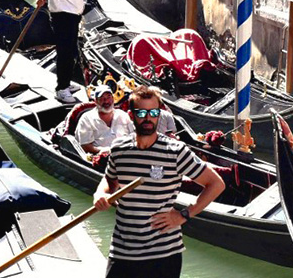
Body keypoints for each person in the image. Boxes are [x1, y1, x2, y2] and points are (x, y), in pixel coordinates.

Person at [93, 86, 225, 278]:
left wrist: (184, 215)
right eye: (142, 113)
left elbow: (216, 184)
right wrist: (101, 194)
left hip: (163, 255)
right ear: (131, 115)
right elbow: (109, 179)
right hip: (123, 251)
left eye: (154, 112)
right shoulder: (119, 148)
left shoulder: (176, 150)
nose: (148, 118)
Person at [36, 0, 90, 103]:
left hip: (73, 18)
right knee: (65, 54)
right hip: (63, 19)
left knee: (72, 53)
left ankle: (66, 83)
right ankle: (61, 89)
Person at [75, 85, 133, 155]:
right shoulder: (86, 119)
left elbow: (134, 135)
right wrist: (105, 151)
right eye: (102, 98)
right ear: (96, 101)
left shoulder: (123, 115)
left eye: (109, 97)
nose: (106, 101)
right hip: (99, 160)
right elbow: (85, 146)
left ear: (113, 98)